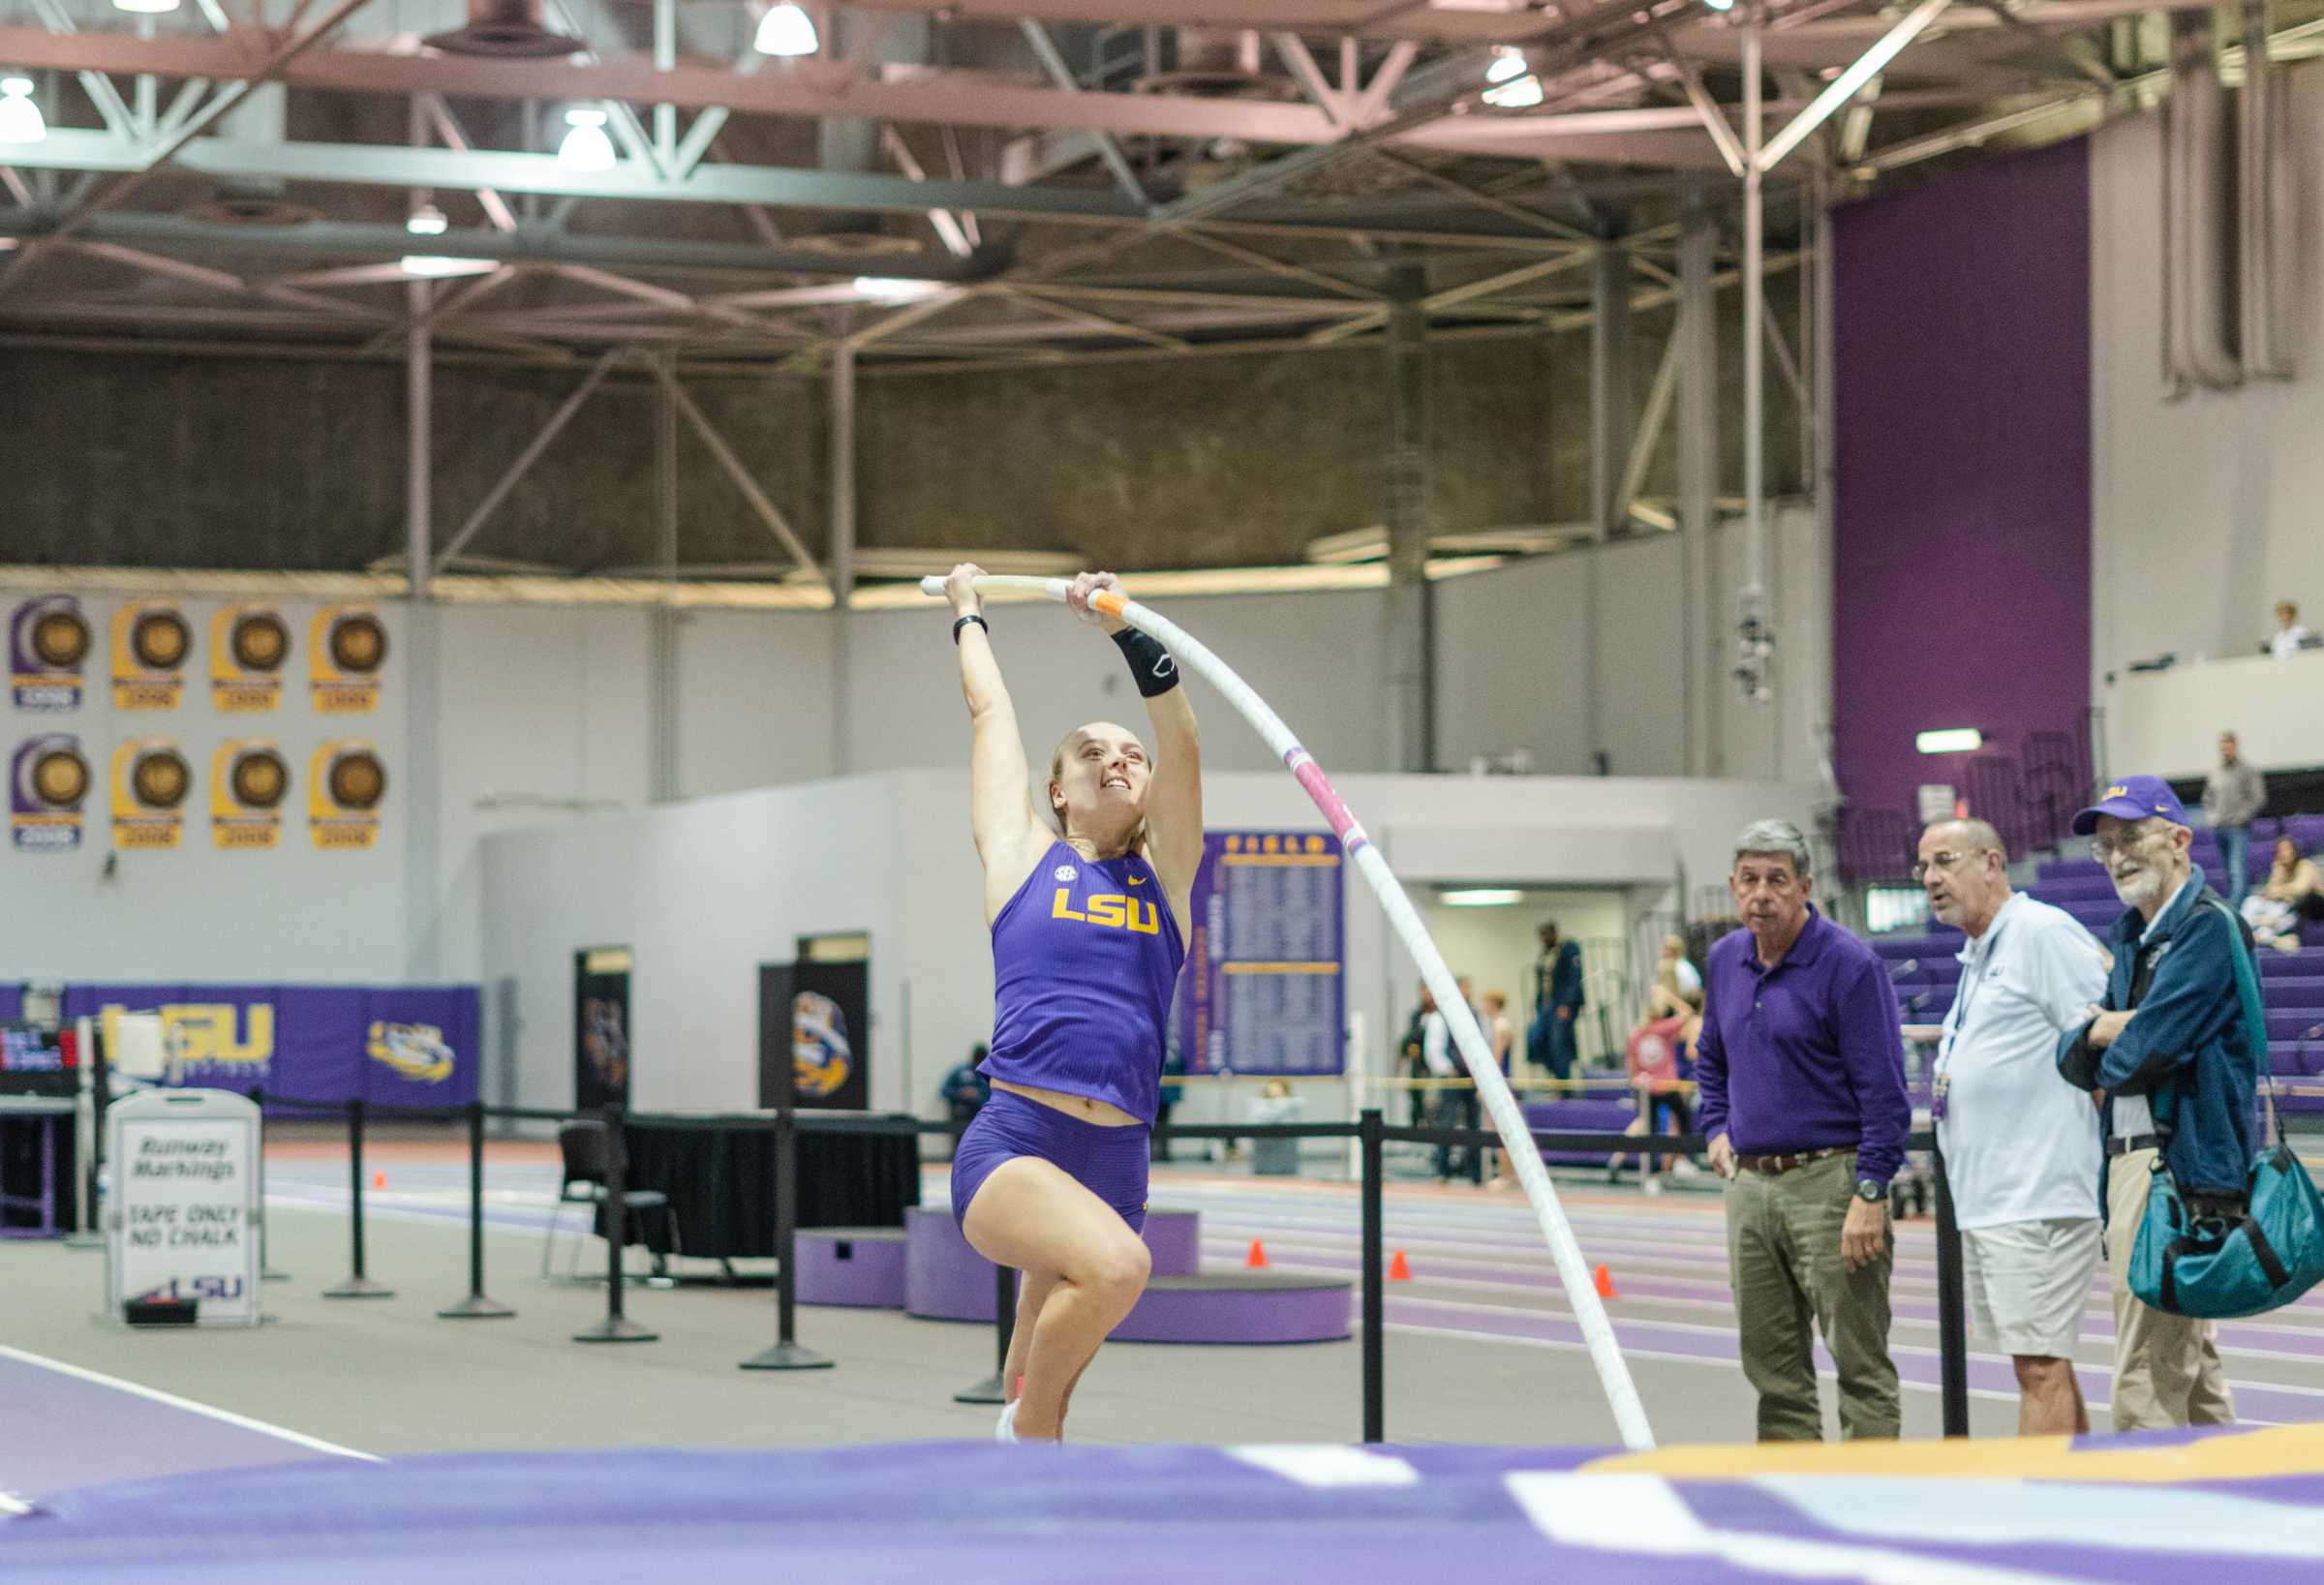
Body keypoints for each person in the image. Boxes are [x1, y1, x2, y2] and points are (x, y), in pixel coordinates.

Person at [940, 564, 1201, 1444]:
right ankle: (1029, 1431)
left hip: (1120, 1155)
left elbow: (1183, 741)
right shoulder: (1020, 854)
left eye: (1130, 753)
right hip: (1018, 1140)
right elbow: (992, 716)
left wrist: (1125, 627)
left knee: (1047, 1339)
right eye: (1092, 752)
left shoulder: (1167, 879)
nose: (1118, 761)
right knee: (1121, 1268)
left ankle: (1024, 1490)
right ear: (1058, 791)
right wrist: (967, 608)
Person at [1695, 818, 1911, 1442]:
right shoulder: (1724, 960)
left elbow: (1885, 1094)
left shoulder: (1850, 965)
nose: (1761, 894)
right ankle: (1796, 1500)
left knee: (1860, 1365)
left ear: (1805, 887)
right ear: (1733, 887)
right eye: (1749, 880)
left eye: (1776, 880)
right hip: (1752, 1188)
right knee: (1773, 1370)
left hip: (1832, 1184)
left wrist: (1869, 1192)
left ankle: (1869, 1508)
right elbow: (1710, 1057)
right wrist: (1715, 1128)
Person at [2057, 777, 2255, 1433]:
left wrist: (2110, 1028)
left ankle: (2158, 1519)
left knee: (2146, 1369)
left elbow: (2140, 1056)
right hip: (2132, 1163)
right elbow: (2074, 1056)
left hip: (2173, 1168)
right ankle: (2238, 1506)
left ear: (2180, 839)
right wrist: (2109, 1028)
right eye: (2105, 845)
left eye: (2132, 837)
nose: (2116, 855)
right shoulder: (2129, 935)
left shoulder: (2208, 929)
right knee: (2188, 1361)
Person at [1918, 818, 2109, 1437]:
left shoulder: (2041, 933)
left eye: (1945, 861)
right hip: (1997, 1200)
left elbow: (2107, 1044)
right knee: (2044, 1362)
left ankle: (2038, 1516)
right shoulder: (1982, 952)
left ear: (1992, 863)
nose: (1931, 879)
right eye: (1923, 868)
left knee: (2038, 1369)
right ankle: (2078, 1503)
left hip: (2039, 1194)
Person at [1617, 990, 1699, 1196]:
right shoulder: (1655, 1030)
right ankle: (1657, 1172)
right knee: (1657, 1129)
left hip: (1664, 1085)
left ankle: (1676, 1163)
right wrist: (1669, 995)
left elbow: (1631, 1064)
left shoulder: (1646, 1032)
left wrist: (1634, 1077)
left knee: (1678, 1121)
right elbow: (1688, 1012)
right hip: (1652, 1088)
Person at [1422, 977, 1483, 1185]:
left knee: (1474, 1124)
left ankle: (1476, 1173)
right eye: (1464, 988)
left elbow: (1482, 1044)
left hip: (1472, 1076)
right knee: (1446, 1122)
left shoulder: (1474, 1015)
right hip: (1452, 1077)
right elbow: (1433, 1049)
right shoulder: (1440, 1017)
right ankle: (1442, 1171)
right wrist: (1448, 1070)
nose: (1467, 992)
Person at [2204, 731, 2265, 911]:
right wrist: (2211, 817)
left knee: (2236, 869)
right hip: (2219, 827)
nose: (2226, 750)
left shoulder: (2248, 771)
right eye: (2223, 747)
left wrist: (2241, 817)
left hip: (2238, 828)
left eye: (2229, 746)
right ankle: (2236, 906)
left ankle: (2236, 909)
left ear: (2235, 746)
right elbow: (2208, 798)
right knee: (2228, 871)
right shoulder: (2215, 772)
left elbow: (2258, 798)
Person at [2242, 836, 2324, 953]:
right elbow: (2270, 892)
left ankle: (2284, 934)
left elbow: (2301, 888)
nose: (2284, 853)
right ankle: (2261, 934)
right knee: (2253, 901)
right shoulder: (2280, 868)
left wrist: (2280, 890)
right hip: (2291, 908)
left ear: (2294, 851)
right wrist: (2277, 872)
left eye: (2287, 849)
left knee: (2300, 901)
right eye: (2280, 851)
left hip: (2316, 905)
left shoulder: (2305, 864)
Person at [1528, 922, 1585, 1086]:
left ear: (1554, 933)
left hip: (1561, 1006)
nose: (1544, 939)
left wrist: (1567, 1004)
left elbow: (1575, 978)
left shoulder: (1569, 948)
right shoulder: (1544, 953)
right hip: (1546, 1006)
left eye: (1546, 935)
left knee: (1559, 1044)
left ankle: (1564, 1087)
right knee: (1536, 1039)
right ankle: (1555, 1079)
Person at [940, 1042, 993, 1138]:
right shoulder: (960, 1071)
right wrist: (961, 1093)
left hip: (984, 1121)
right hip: (961, 1118)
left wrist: (979, 1096)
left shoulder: (991, 1075)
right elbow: (944, 1091)